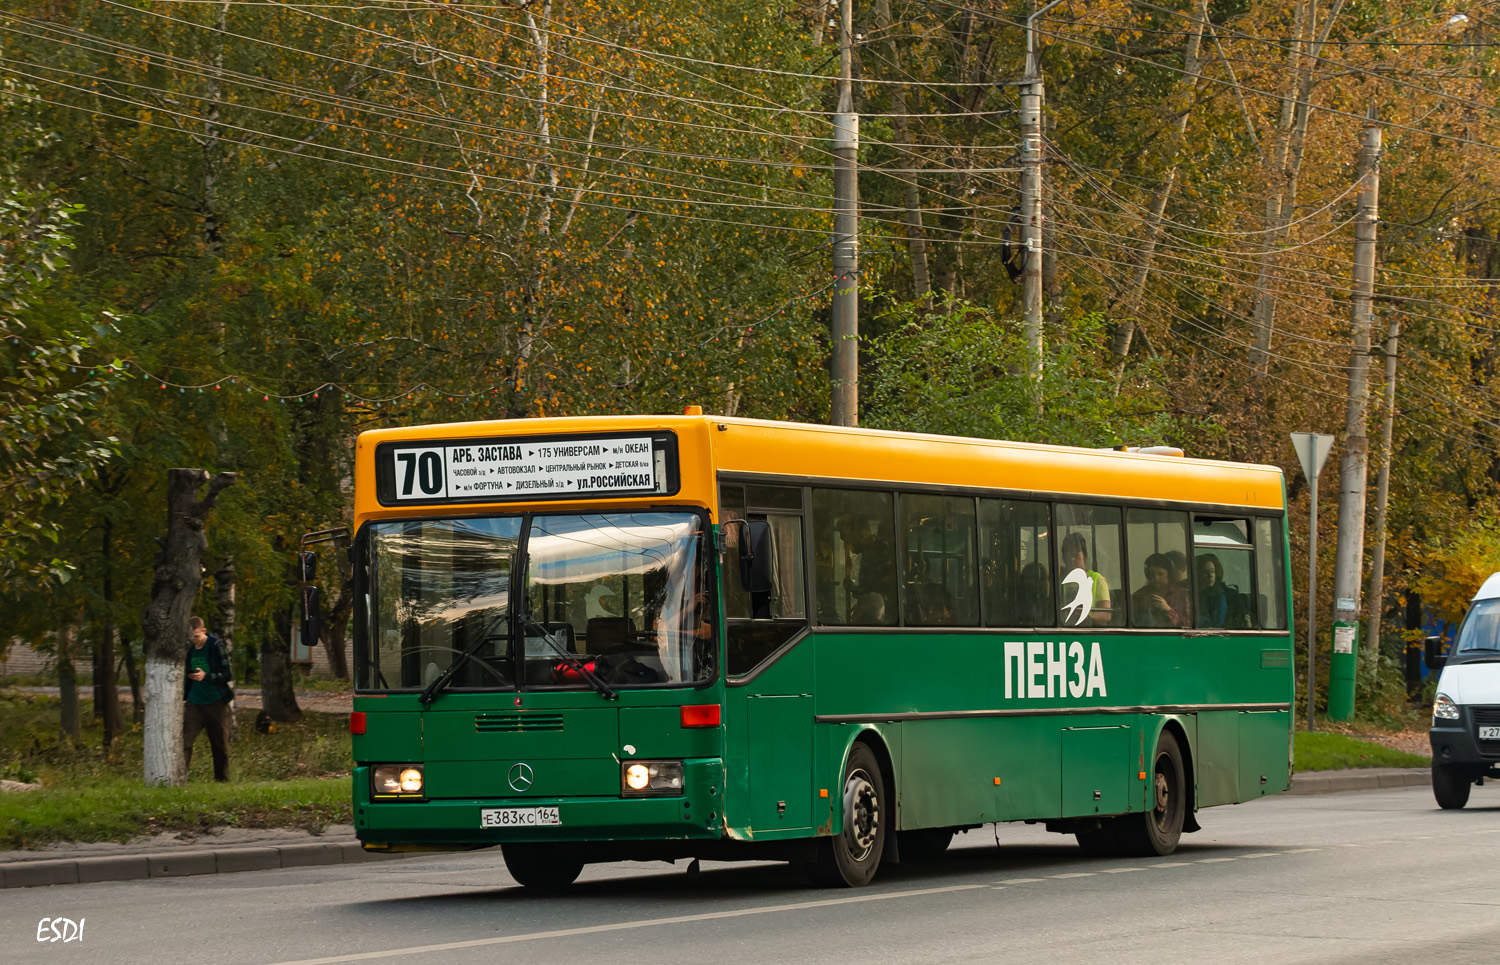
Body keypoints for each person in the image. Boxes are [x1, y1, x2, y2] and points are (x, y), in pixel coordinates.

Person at [183, 616, 233, 782]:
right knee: (185, 742)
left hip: (215, 702)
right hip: (194, 703)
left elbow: (227, 675)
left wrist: (206, 676)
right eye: (191, 638)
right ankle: (180, 778)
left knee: (219, 745)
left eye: (197, 637)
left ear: (204, 631)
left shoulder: (216, 646)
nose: (194, 641)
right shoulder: (190, 649)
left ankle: (222, 780)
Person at [1059, 532, 1112, 626]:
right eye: (1068, 556)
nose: (1072, 559)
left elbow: (1106, 614)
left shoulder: (1097, 579)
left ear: (1085, 556)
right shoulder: (1059, 581)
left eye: (1076, 555)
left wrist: (1086, 617)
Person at [1132, 553, 1190, 627]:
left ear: (1169, 574)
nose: (1156, 578)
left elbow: (1189, 624)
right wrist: (1143, 608)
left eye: (1160, 574)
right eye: (1152, 574)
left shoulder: (1183, 594)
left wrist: (1168, 610)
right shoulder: (1140, 594)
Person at [1196, 554, 1228, 628]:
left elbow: (1216, 623)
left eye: (1213, 571)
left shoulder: (1218, 594)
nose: (1210, 575)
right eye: (1205, 572)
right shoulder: (1188, 591)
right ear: (1196, 574)